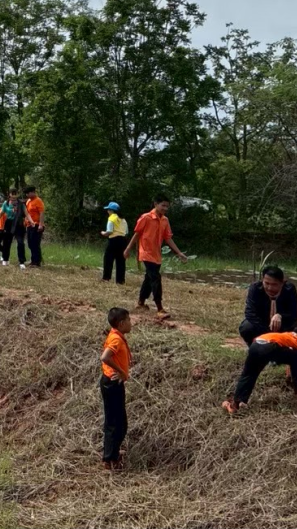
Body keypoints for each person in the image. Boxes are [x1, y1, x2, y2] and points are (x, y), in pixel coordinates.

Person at [222, 326, 297, 414]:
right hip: (269, 347)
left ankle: (236, 404)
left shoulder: (285, 336)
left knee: (249, 374)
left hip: (256, 345)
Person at [125, 195, 188, 318]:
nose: (165, 208)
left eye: (167, 206)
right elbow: (137, 234)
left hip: (156, 255)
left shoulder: (165, 221)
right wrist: (128, 249)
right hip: (146, 253)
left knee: (149, 279)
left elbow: (168, 238)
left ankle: (141, 302)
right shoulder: (146, 218)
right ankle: (160, 308)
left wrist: (179, 253)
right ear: (155, 204)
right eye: (163, 205)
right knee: (155, 278)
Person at [99, 307, 132, 470]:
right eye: (129, 320)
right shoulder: (117, 340)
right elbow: (105, 357)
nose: (131, 323)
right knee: (116, 423)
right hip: (113, 384)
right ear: (121, 323)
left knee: (116, 421)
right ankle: (110, 459)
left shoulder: (115, 334)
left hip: (110, 382)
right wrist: (121, 371)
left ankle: (112, 452)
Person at [239, 266, 297, 345]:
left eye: (274, 284)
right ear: (262, 280)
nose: (270, 288)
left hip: (282, 325)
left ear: (282, 283)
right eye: (266, 283)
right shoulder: (255, 288)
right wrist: (266, 332)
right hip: (261, 324)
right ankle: (254, 345)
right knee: (246, 327)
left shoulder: (289, 289)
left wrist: (280, 316)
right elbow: (250, 313)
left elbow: (295, 314)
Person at [101, 202, 128, 284]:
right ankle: (120, 280)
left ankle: (106, 278)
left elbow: (109, 231)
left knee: (108, 259)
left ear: (111, 210)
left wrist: (103, 233)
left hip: (114, 240)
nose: (107, 211)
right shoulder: (123, 219)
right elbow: (126, 232)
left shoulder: (112, 218)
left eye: (108, 209)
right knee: (121, 260)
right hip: (123, 240)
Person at [6, 188, 27, 269]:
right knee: (7, 243)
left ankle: (21, 261)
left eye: (15, 194)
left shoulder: (21, 204)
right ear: (9, 195)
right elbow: (2, 213)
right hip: (9, 225)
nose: (14, 196)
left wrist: (30, 221)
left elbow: (26, 214)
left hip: (19, 226)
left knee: (20, 243)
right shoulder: (6, 203)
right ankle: (6, 259)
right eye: (12, 194)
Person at [24, 187, 46, 267]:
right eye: (26, 193)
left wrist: (41, 224)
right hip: (30, 225)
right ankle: (33, 260)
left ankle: (36, 262)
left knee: (35, 243)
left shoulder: (38, 201)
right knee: (30, 243)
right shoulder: (28, 201)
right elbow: (27, 213)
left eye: (28, 193)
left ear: (33, 192)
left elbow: (41, 213)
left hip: (37, 225)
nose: (27, 195)